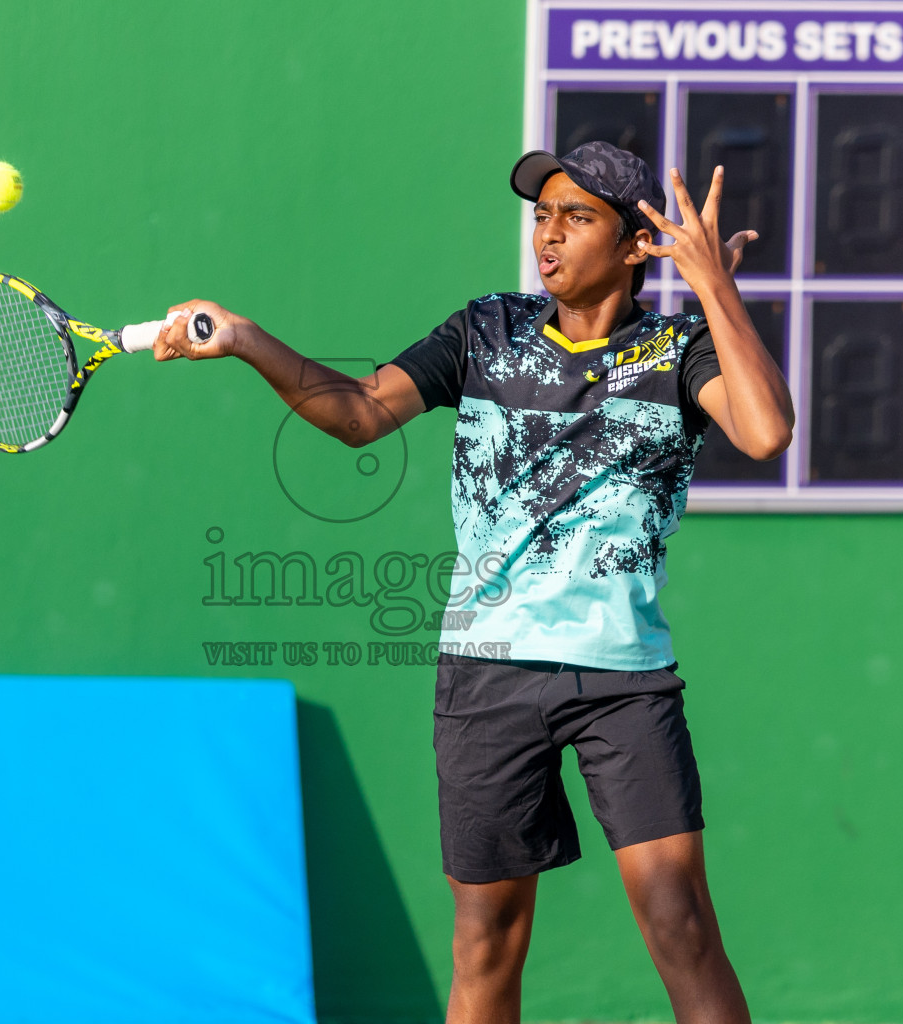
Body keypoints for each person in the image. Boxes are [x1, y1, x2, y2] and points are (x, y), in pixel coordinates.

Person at [154, 141, 793, 1024]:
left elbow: (765, 433)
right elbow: (359, 415)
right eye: (542, 215)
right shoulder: (485, 331)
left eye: (577, 217)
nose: (549, 236)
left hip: (624, 679)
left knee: (681, 924)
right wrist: (245, 339)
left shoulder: (680, 349)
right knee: (486, 940)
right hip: (487, 675)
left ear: (637, 243)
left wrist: (713, 287)